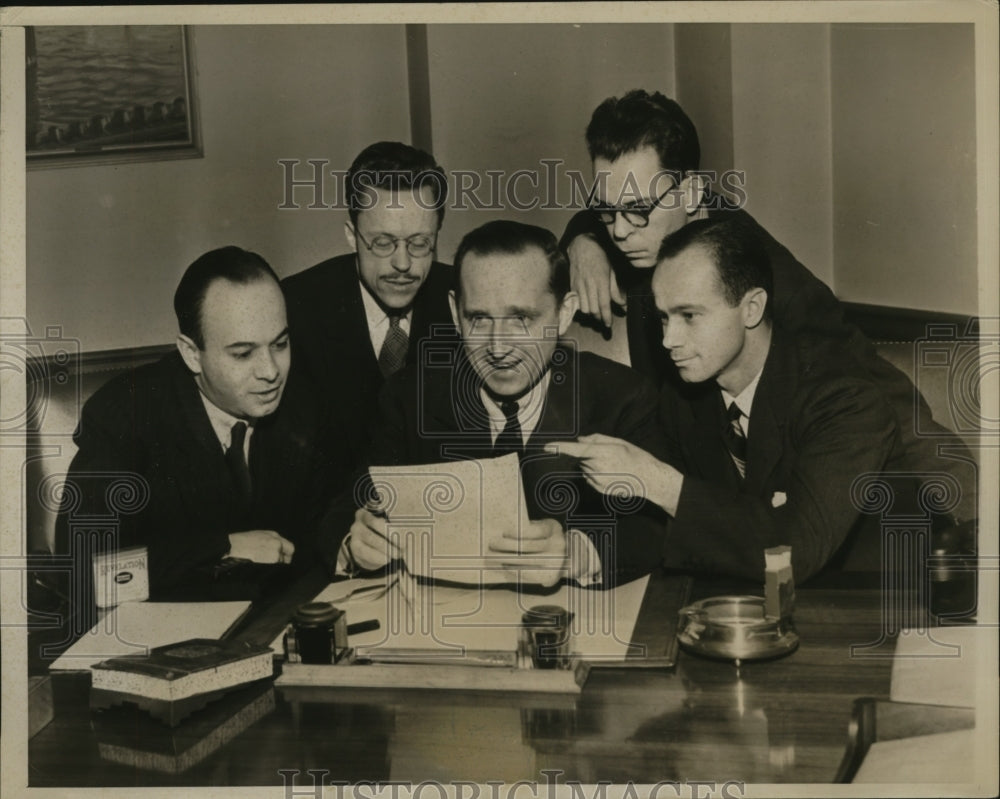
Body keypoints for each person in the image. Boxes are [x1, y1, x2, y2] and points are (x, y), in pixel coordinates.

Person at [553, 218, 976, 583]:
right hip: (763, 603)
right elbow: (669, 527)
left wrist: (661, 482)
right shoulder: (688, 396)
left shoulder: (845, 397)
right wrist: (580, 552)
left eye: (689, 316)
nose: (668, 340)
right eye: (664, 317)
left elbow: (797, 551)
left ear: (752, 308)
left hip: (885, 606)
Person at [323, 220, 668, 588]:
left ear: (564, 313)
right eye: (479, 319)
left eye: (521, 319)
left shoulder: (623, 398)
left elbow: (655, 526)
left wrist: (578, 553)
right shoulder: (409, 398)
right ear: (456, 313)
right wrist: (354, 543)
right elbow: (349, 506)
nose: (499, 349)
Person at [56, 246, 335, 603]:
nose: (270, 371)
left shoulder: (304, 401)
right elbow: (81, 574)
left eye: (280, 344)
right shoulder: (125, 414)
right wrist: (223, 547)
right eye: (242, 354)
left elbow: (325, 523)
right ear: (191, 353)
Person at [282, 141, 454, 472]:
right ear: (351, 235)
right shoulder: (296, 307)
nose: (402, 263)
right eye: (382, 242)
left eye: (420, 243)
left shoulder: (464, 301)